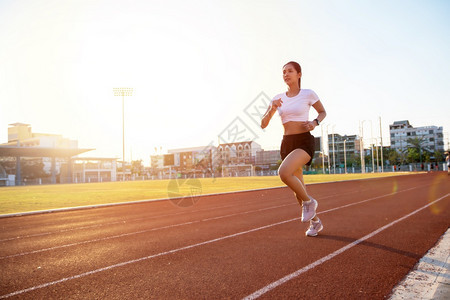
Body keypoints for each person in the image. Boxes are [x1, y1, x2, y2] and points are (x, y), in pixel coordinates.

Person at [261, 61, 327, 237]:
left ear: (299, 74)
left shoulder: (308, 94)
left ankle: (310, 202)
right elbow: (263, 124)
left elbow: (322, 112)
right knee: (299, 190)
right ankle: (315, 222)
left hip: (303, 142)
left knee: (283, 173)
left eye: (290, 71)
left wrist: (314, 122)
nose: (286, 74)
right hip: (287, 143)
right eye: (283, 72)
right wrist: (272, 109)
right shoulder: (277, 98)